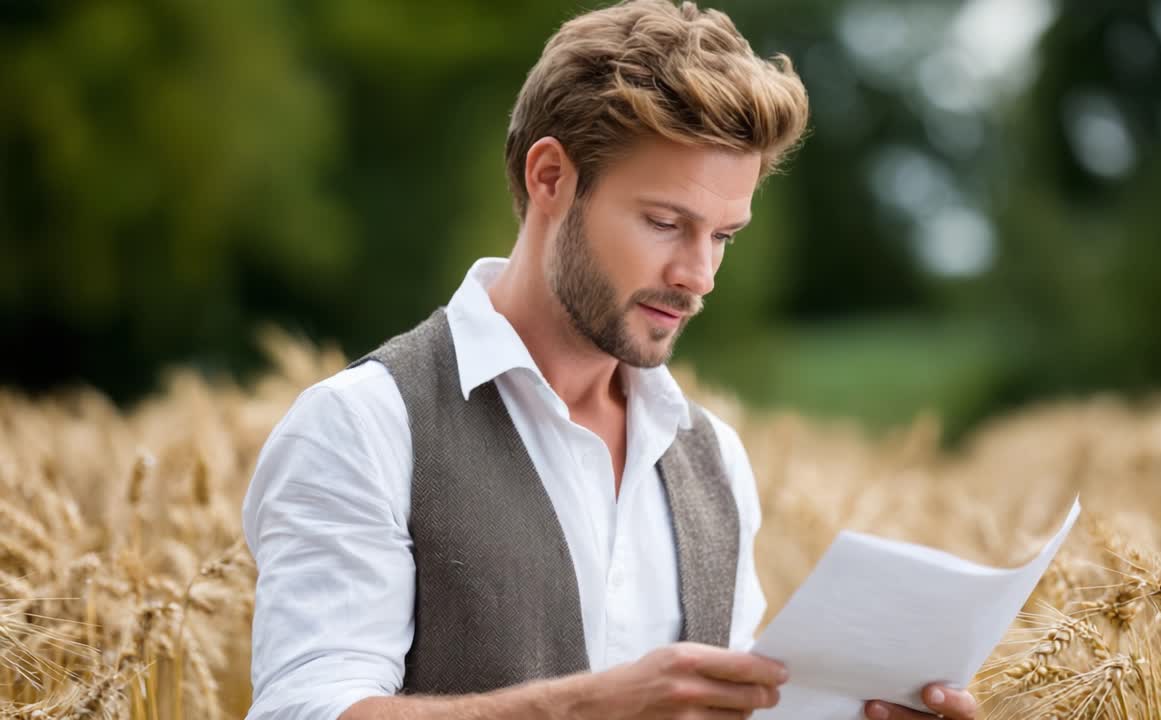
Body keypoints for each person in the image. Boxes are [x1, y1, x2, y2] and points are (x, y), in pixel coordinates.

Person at [242, 1, 980, 719]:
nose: (700, 275)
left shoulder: (713, 458)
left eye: (724, 235)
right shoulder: (362, 426)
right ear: (551, 178)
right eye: (666, 222)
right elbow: (304, 708)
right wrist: (587, 707)